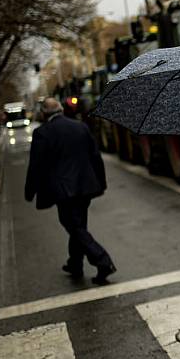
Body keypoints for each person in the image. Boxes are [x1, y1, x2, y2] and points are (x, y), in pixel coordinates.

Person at [24, 98, 116, 285]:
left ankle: (102, 261)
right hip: (85, 187)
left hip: (63, 191)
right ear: (61, 110)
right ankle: (75, 264)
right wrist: (101, 182)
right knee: (78, 226)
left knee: (74, 227)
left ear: (44, 113)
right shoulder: (80, 126)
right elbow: (95, 156)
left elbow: (36, 166)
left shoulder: (42, 133)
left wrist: (30, 191)